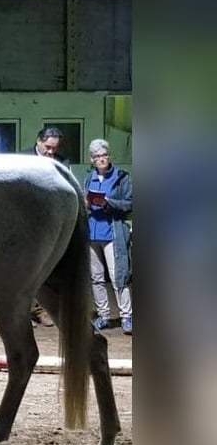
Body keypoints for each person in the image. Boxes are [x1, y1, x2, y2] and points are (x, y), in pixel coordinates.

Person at [21, 126, 70, 327]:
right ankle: (22, 313)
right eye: (48, 147)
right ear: (39, 141)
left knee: (46, 269)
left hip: (49, 225)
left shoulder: (62, 162)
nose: (51, 152)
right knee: (22, 270)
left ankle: (42, 310)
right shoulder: (20, 159)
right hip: (23, 224)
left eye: (54, 148)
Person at [83, 138, 133, 335]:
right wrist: (87, 205)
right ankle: (104, 315)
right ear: (92, 160)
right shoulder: (89, 179)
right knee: (96, 278)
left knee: (118, 276)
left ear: (108, 156)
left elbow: (130, 204)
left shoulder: (122, 177)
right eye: (97, 156)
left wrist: (108, 203)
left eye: (104, 155)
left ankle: (127, 316)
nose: (101, 159)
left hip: (112, 233)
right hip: (92, 233)